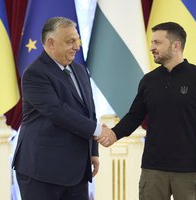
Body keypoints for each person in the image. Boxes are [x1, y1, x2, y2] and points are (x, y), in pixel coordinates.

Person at [97, 22, 196, 200]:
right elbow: (134, 116)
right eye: (152, 42)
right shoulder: (149, 81)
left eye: (157, 43)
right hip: (152, 169)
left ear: (176, 45)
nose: (151, 47)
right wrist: (113, 134)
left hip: (189, 170)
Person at [12, 17, 115, 200]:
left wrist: (93, 152)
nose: (77, 46)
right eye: (70, 41)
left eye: (77, 40)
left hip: (76, 170)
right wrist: (99, 131)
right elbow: (58, 112)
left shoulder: (81, 70)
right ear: (51, 43)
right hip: (41, 172)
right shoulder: (35, 73)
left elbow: (88, 111)